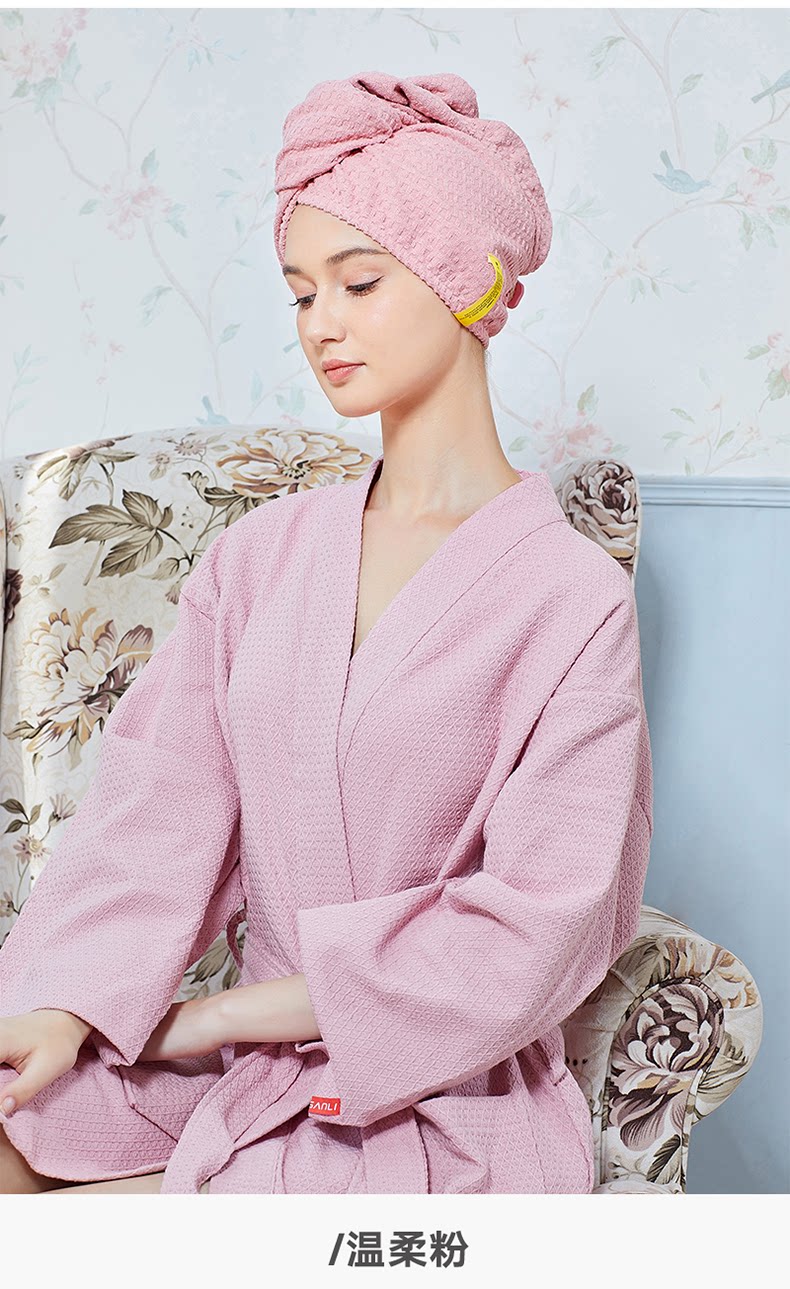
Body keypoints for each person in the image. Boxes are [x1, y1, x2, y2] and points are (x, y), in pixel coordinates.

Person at [0, 70, 652, 1195]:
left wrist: (215, 1014)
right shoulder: (260, 556)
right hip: (233, 1058)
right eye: (302, 294)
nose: (322, 326)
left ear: (471, 280)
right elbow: (157, 803)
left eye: (360, 281)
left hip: (430, 1078)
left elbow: (535, 925)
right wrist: (63, 1007)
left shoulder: (570, 596)